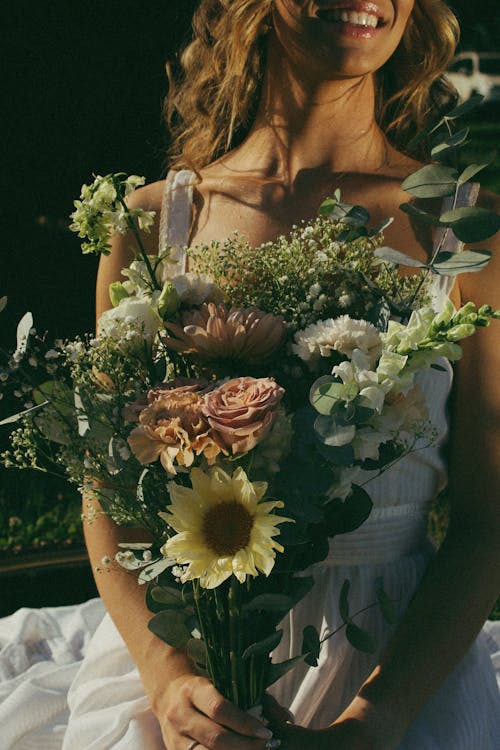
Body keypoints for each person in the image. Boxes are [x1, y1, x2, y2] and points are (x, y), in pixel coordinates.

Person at [79, 1, 500, 748]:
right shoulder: (153, 227)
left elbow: (487, 523)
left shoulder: (467, 231)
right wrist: (168, 678)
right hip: (194, 679)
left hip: (395, 671)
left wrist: (379, 721)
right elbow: (107, 499)